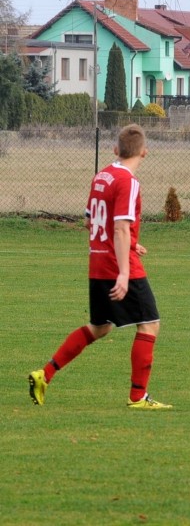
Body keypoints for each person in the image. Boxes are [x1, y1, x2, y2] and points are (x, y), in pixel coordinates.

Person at [28, 124, 171, 409]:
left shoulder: (102, 176)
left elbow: (88, 221)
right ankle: (138, 397)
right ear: (144, 151)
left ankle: (45, 373)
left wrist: (129, 243)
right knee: (150, 325)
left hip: (97, 261)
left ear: (116, 149)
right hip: (117, 264)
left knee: (100, 327)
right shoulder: (128, 182)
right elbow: (119, 228)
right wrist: (124, 271)